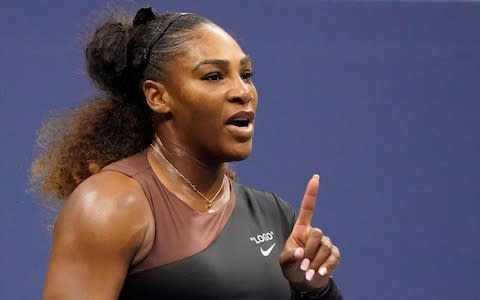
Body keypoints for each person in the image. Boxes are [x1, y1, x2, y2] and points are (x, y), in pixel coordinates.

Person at [32, 6, 342, 300]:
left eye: (246, 75)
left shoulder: (273, 213)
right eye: (213, 76)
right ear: (158, 96)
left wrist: (313, 288)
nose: (243, 92)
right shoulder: (110, 204)